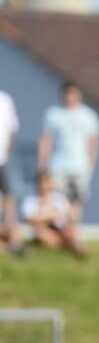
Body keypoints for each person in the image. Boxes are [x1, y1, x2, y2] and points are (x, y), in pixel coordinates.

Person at [36, 81, 99, 223]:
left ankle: (73, 229)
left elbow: (93, 142)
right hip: (59, 165)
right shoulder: (53, 114)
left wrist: (90, 164)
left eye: (73, 94)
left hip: (80, 165)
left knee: (76, 200)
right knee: (58, 200)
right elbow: (46, 140)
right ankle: (60, 229)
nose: (70, 97)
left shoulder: (88, 115)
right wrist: (42, 164)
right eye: (67, 94)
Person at [20, 170, 85, 257]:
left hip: (61, 229)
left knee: (72, 231)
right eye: (42, 183)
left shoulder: (59, 198)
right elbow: (30, 220)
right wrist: (52, 214)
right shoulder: (31, 200)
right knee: (42, 235)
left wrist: (46, 215)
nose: (45, 186)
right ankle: (67, 245)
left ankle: (71, 246)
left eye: (47, 182)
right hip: (44, 231)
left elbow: (70, 215)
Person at [0, 88, 24, 255]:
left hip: (2, 157)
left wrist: (7, 151)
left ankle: (10, 230)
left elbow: (11, 128)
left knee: (8, 195)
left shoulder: (5, 100)